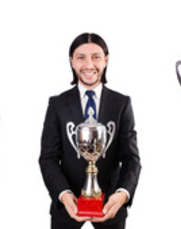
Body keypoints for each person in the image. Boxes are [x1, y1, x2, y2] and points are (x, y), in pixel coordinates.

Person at [39, 32, 141, 229]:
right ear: (71, 62)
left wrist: (122, 194)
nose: (89, 65)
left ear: (105, 60)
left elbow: (131, 158)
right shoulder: (57, 104)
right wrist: (64, 194)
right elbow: (48, 157)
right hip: (66, 211)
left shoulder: (121, 104)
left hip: (111, 207)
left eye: (96, 57)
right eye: (81, 57)